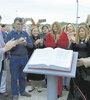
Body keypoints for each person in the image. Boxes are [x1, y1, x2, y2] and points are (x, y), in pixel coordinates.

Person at [6, 17, 33, 100]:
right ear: (14, 25)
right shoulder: (9, 34)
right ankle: (15, 95)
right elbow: (8, 48)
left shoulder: (25, 33)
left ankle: (22, 91)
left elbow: (31, 45)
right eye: (18, 24)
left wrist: (25, 44)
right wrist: (16, 43)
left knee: (23, 76)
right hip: (14, 59)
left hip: (24, 58)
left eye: (21, 24)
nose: (20, 25)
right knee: (14, 77)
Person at [45, 21, 69, 97]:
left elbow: (66, 45)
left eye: (56, 26)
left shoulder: (63, 34)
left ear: (59, 27)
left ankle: (59, 92)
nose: (55, 28)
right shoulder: (49, 34)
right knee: (51, 74)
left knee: (59, 75)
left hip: (59, 56)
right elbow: (47, 44)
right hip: (51, 56)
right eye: (53, 26)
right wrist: (55, 42)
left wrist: (58, 42)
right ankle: (51, 90)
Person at [67, 26, 90, 100]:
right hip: (76, 67)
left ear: (86, 32)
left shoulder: (88, 41)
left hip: (86, 69)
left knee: (85, 86)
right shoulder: (75, 41)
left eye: (82, 31)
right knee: (75, 87)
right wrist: (73, 43)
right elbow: (69, 51)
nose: (81, 33)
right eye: (79, 31)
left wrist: (87, 43)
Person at [27, 26, 45, 92]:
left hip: (39, 57)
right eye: (34, 31)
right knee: (32, 72)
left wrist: (42, 44)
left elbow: (43, 48)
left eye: (37, 31)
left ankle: (39, 86)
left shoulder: (41, 37)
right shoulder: (29, 38)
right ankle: (32, 86)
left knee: (39, 72)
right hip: (31, 56)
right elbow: (29, 47)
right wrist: (35, 43)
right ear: (32, 32)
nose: (35, 32)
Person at [62, 23, 76, 91]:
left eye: (71, 26)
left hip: (74, 53)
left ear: (73, 27)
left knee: (73, 70)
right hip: (66, 53)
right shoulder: (64, 35)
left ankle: (72, 85)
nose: (69, 28)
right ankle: (64, 85)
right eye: (68, 27)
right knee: (65, 69)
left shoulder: (76, 34)